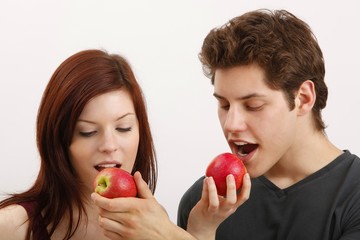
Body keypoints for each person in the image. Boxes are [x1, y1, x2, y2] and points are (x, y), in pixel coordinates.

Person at [0, 49, 251, 240]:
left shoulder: (150, 222)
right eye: (88, 132)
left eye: (123, 128)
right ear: (58, 141)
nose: (110, 145)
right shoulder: (13, 227)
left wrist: (202, 228)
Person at [177, 9, 360, 239]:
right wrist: (200, 233)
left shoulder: (354, 198)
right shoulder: (205, 204)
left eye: (253, 106)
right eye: (224, 105)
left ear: (303, 98)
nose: (231, 125)